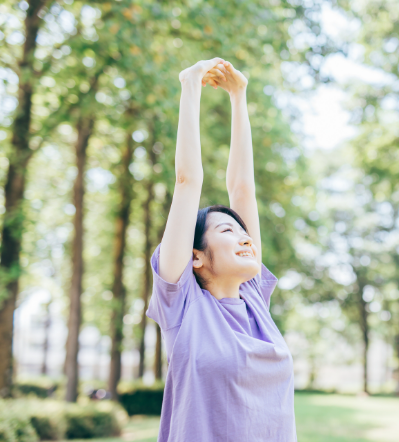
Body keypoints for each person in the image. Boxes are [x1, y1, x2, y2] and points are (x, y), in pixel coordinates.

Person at [146, 58, 297, 441]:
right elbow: (186, 180)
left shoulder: (255, 301)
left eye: (243, 232)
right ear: (195, 256)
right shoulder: (183, 307)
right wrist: (190, 84)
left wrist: (239, 95)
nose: (247, 238)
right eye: (229, 230)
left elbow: (243, 188)